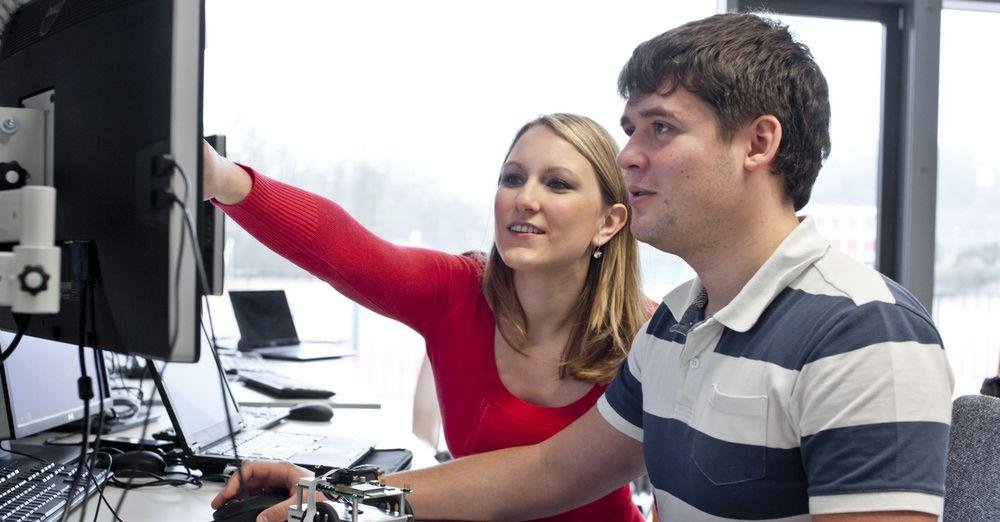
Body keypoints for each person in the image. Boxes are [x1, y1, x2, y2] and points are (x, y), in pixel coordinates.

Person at [213, 11, 955, 521]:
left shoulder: (865, 334)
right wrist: (338, 499)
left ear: (757, 144)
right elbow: (545, 473)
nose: (629, 153)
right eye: (631, 128)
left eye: (660, 129)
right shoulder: (678, 328)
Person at [204, 113, 650, 521]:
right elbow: (345, 250)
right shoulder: (457, 290)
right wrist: (221, 179)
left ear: (608, 223)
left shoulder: (652, 337)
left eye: (557, 184)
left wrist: (338, 495)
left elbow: (541, 479)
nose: (525, 198)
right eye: (512, 178)